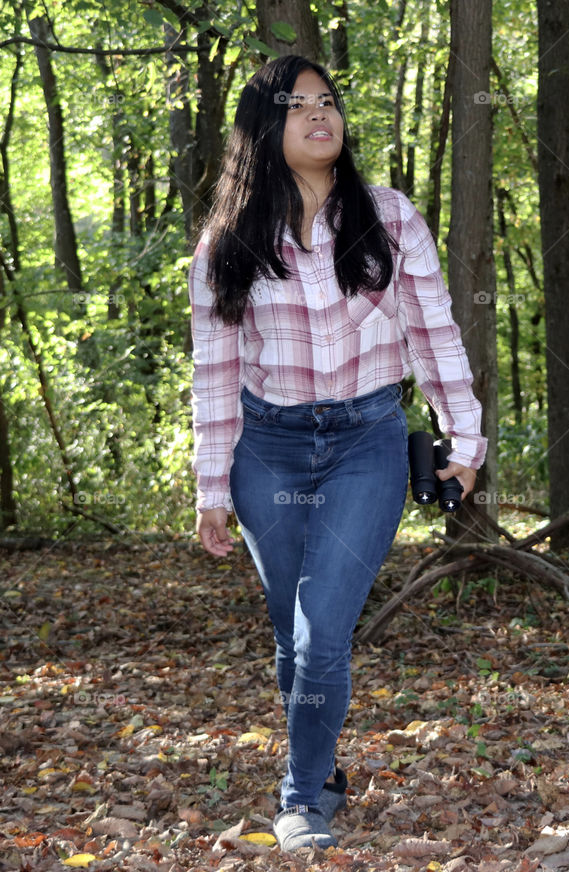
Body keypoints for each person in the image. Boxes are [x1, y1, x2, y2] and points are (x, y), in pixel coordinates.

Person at [188, 55, 486, 851]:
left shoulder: (390, 217)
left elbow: (433, 331)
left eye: (329, 102)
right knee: (293, 638)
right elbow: (214, 372)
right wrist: (210, 485)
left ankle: (301, 798)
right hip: (268, 452)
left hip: (366, 444)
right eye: (298, 106)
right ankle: (320, 766)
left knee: (323, 632)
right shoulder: (228, 241)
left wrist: (465, 434)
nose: (321, 115)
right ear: (262, 129)